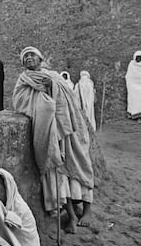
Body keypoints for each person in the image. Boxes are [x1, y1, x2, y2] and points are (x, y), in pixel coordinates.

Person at [13, 46, 94, 234]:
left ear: (41, 59)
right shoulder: (23, 80)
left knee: (80, 163)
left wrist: (53, 87)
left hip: (68, 129)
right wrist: (42, 101)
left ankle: (87, 210)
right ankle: (72, 215)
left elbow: (71, 100)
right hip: (49, 131)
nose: (29, 58)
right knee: (57, 173)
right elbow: (20, 102)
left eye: (32, 55)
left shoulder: (56, 77)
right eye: (25, 57)